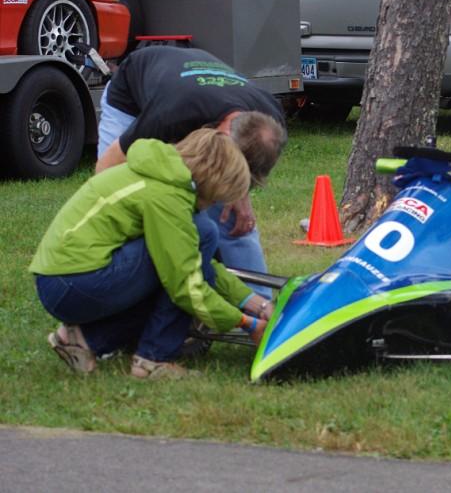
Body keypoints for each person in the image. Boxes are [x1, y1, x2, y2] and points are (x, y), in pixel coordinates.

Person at [30, 129, 274, 379]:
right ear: (213, 181)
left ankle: (81, 339)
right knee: (198, 245)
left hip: (59, 281)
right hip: (72, 284)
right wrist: (249, 324)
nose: (213, 205)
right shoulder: (167, 196)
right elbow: (185, 284)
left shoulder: (162, 173)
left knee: (194, 246)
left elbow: (192, 259)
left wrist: (255, 303)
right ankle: (152, 360)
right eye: (217, 199)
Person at [96, 45, 286, 299]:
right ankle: (114, 292)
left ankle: (261, 307)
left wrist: (239, 197)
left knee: (232, 220)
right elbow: (106, 168)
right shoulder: (171, 110)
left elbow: (242, 163)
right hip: (131, 98)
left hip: (192, 92)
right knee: (128, 199)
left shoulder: (270, 121)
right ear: (221, 135)